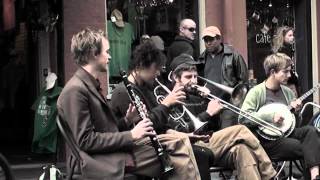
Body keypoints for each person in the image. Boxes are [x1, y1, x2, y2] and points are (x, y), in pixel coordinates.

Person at [112, 44, 276, 180]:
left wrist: (207, 109)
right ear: (141, 67)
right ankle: (272, 176)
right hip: (166, 146)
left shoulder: (147, 88)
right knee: (241, 130)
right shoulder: (127, 91)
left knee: (243, 149)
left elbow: (162, 125)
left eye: (195, 76)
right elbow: (148, 126)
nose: (157, 75)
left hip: (189, 138)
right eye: (155, 69)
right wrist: (170, 104)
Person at [57, 28, 201, 180]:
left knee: (178, 144)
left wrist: (126, 121)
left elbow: (105, 130)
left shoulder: (89, 85)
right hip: (99, 161)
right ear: (94, 53)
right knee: (178, 151)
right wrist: (131, 135)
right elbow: (86, 141)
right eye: (107, 51)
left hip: (111, 153)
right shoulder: (75, 90)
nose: (110, 56)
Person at [239, 53, 320, 180]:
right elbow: (243, 118)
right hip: (267, 141)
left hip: (286, 134)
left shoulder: (287, 92)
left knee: (311, 131)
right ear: (273, 72)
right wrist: (270, 116)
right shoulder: (256, 92)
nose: (289, 75)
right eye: (285, 72)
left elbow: (293, 124)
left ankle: (315, 176)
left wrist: (296, 112)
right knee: (308, 148)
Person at [198, 26, 248, 128]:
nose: (208, 43)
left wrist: (236, 101)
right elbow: (200, 81)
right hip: (209, 104)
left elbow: (243, 82)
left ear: (219, 39)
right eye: (206, 40)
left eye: (211, 39)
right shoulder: (202, 58)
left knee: (226, 135)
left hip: (228, 105)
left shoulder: (234, 56)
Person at [271, 26, 299, 97]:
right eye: (289, 35)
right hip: (285, 82)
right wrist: (293, 77)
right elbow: (283, 69)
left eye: (292, 35)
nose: (292, 37)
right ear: (283, 37)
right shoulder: (282, 51)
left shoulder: (287, 48)